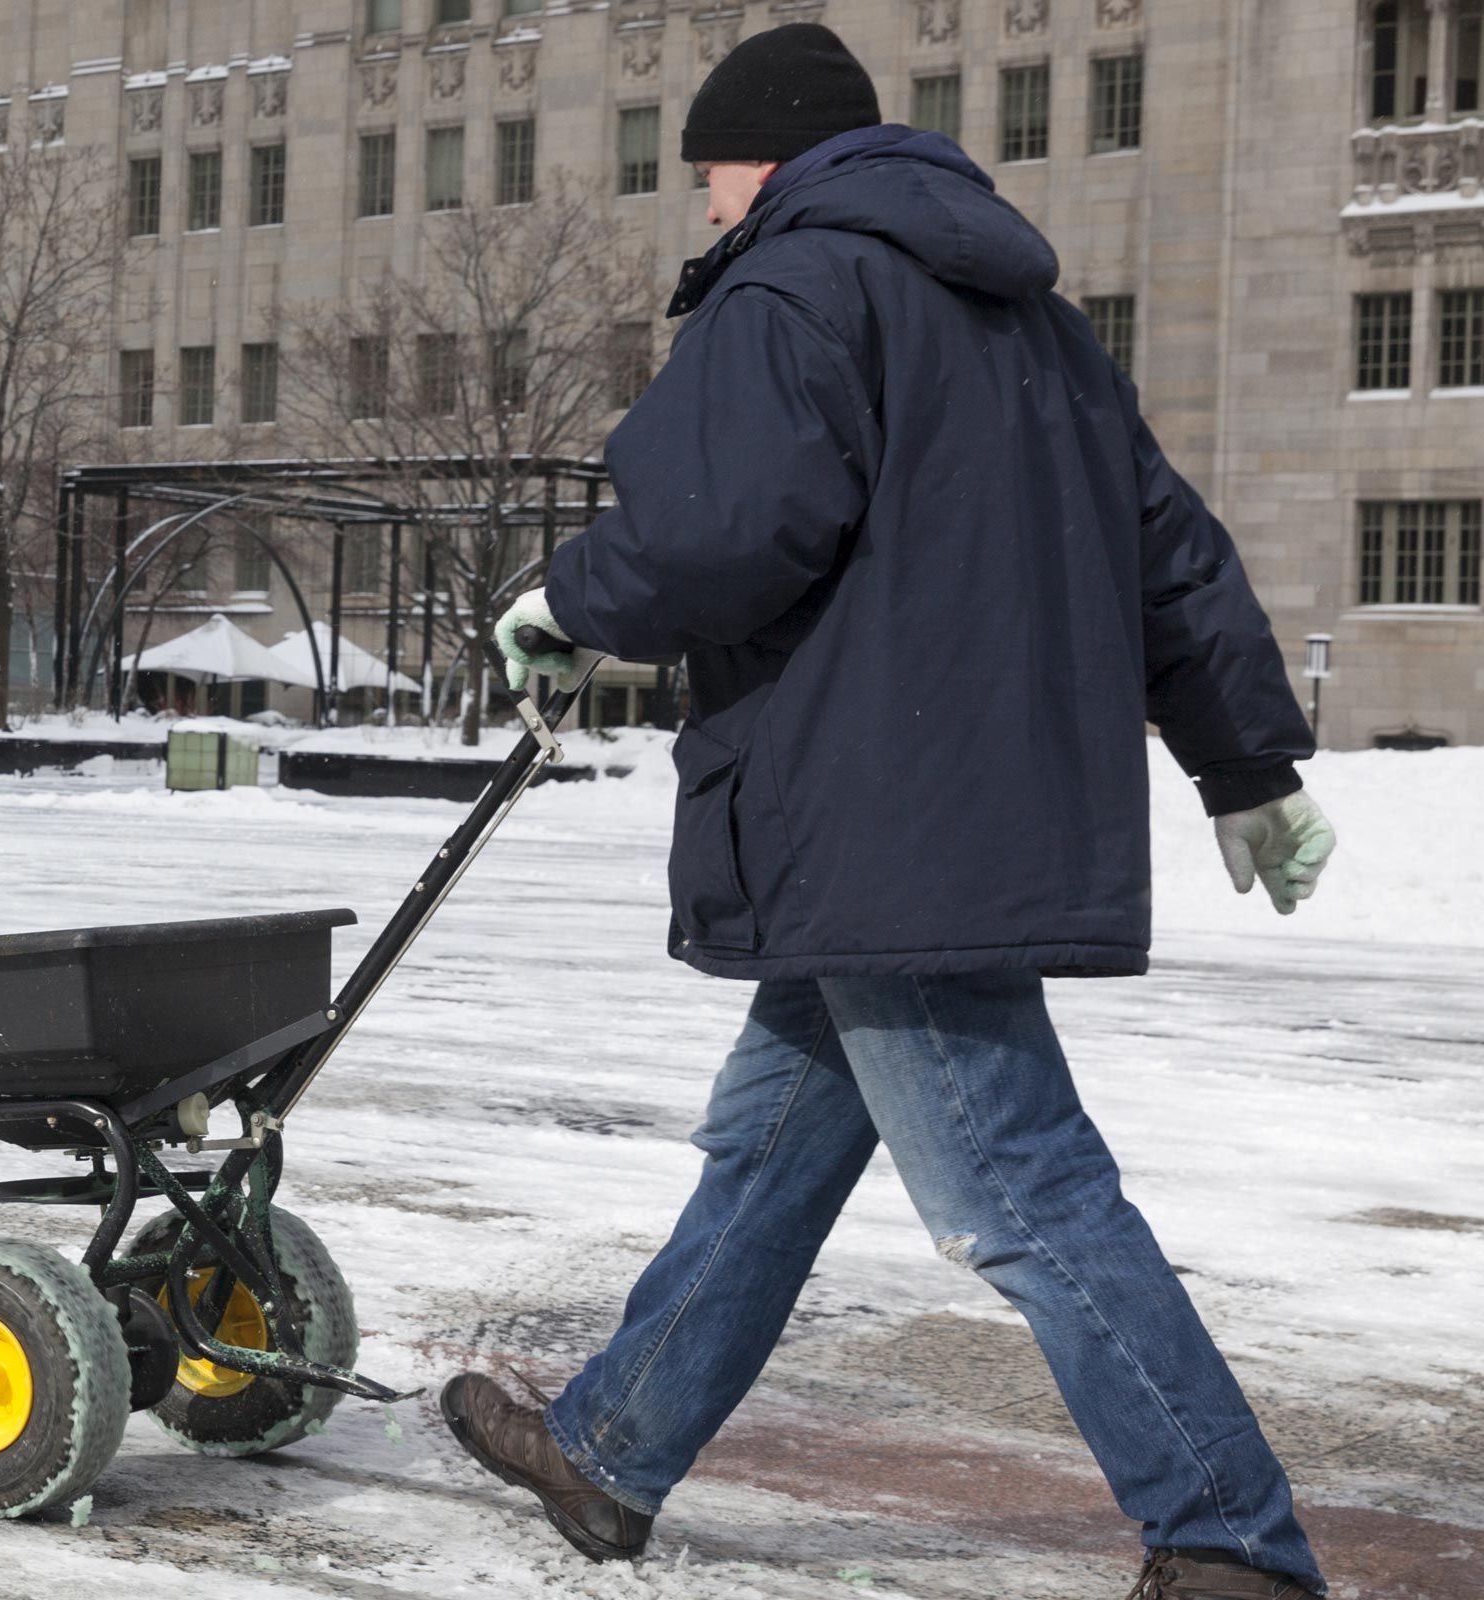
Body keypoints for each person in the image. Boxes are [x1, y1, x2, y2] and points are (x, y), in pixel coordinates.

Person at [460, 24, 1340, 1600]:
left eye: (711, 171)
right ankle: (612, 1448)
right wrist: (1247, 759)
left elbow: (723, 530)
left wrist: (570, 598)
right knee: (770, 1149)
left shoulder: (796, 287)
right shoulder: (1033, 322)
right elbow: (1171, 552)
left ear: (770, 159)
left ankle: (1227, 1539)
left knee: (1015, 1189)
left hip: (880, 819)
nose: (706, 205)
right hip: (927, 815)